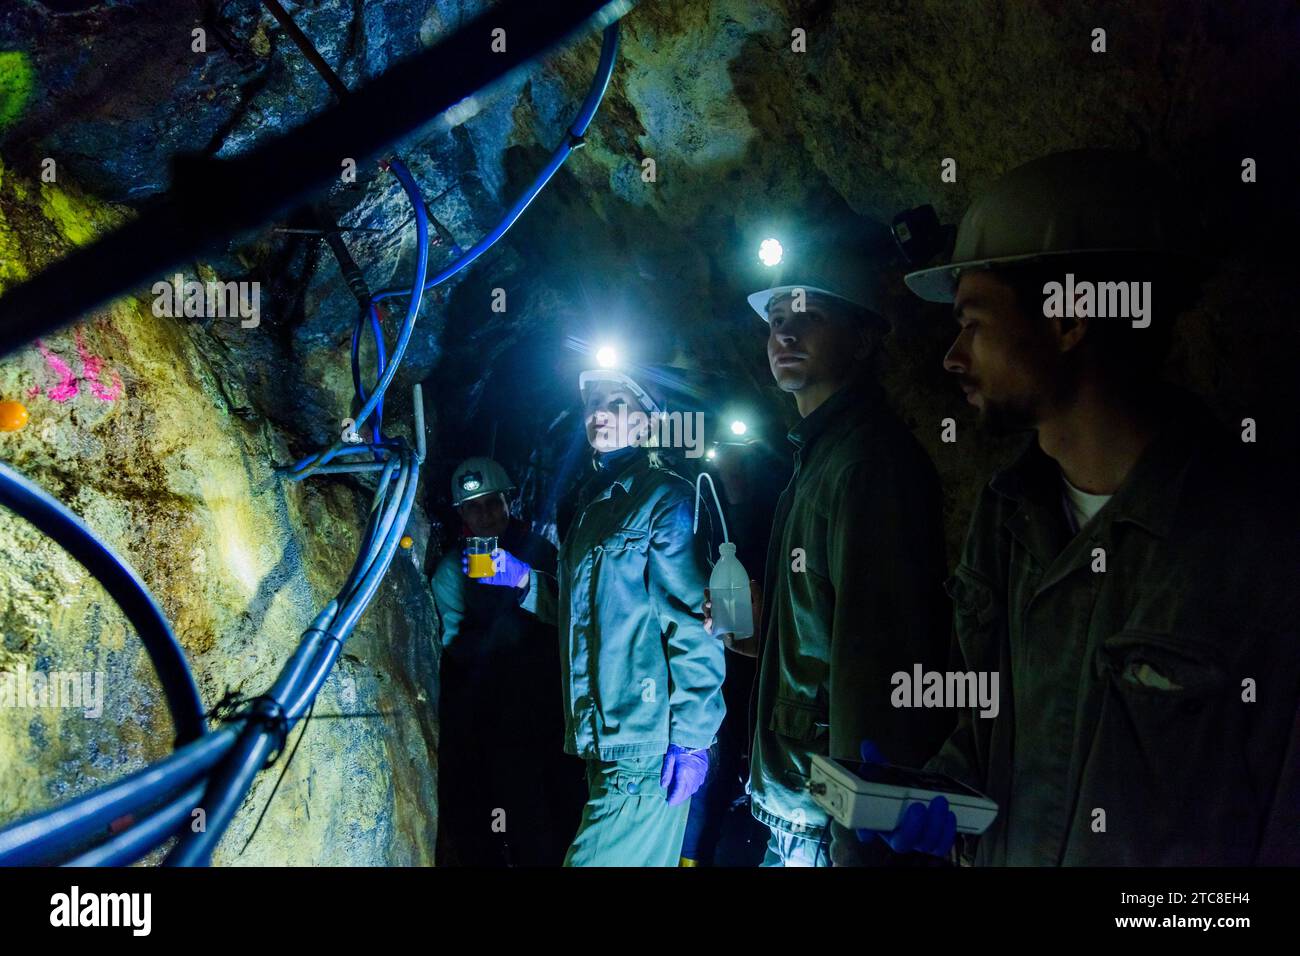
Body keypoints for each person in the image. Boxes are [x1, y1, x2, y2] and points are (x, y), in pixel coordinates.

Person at [882, 149, 1300, 864]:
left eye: (973, 323)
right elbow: (990, 731)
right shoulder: (1007, 515)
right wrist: (940, 795)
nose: (952, 356)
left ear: (1070, 317)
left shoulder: (1256, 546)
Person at [713, 227, 953, 866]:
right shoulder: (818, 457)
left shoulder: (868, 463)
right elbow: (827, 631)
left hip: (823, 819)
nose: (785, 334)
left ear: (864, 338)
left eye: (810, 317)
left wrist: (860, 838)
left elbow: (881, 662)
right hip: (796, 800)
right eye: (776, 320)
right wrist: (767, 634)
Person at [475, 364, 727, 866]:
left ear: (647, 421)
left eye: (617, 403)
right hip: (603, 743)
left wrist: (693, 739)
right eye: (593, 403)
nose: (600, 413)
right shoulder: (594, 505)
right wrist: (524, 583)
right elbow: (587, 614)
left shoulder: (664, 499)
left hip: (647, 747)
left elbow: (692, 624)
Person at [430, 457, 584, 866]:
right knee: (519, 816)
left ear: (508, 501)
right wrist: (494, 641)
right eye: (473, 507)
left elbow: (577, 613)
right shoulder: (452, 571)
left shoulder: (541, 551)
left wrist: (526, 583)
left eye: (492, 502)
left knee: (569, 804)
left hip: (556, 707)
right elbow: (453, 644)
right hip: (500, 715)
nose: (485, 514)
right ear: (461, 514)